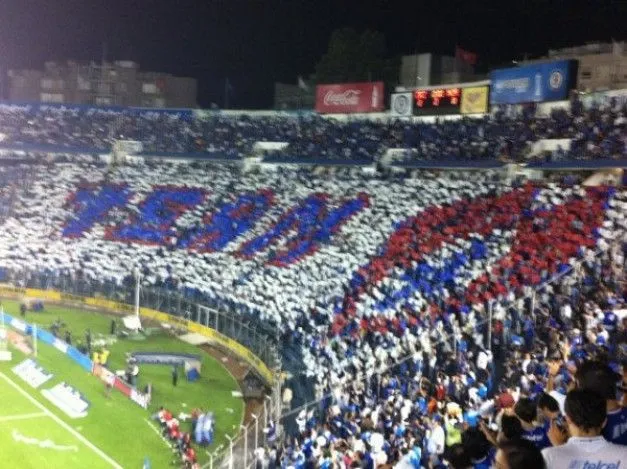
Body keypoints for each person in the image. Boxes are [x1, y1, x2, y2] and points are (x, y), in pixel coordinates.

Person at [541, 389, 627, 469]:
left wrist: (558, 448)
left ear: (568, 419)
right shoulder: (624, 455)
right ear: (604, 422)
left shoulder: (547, 457)